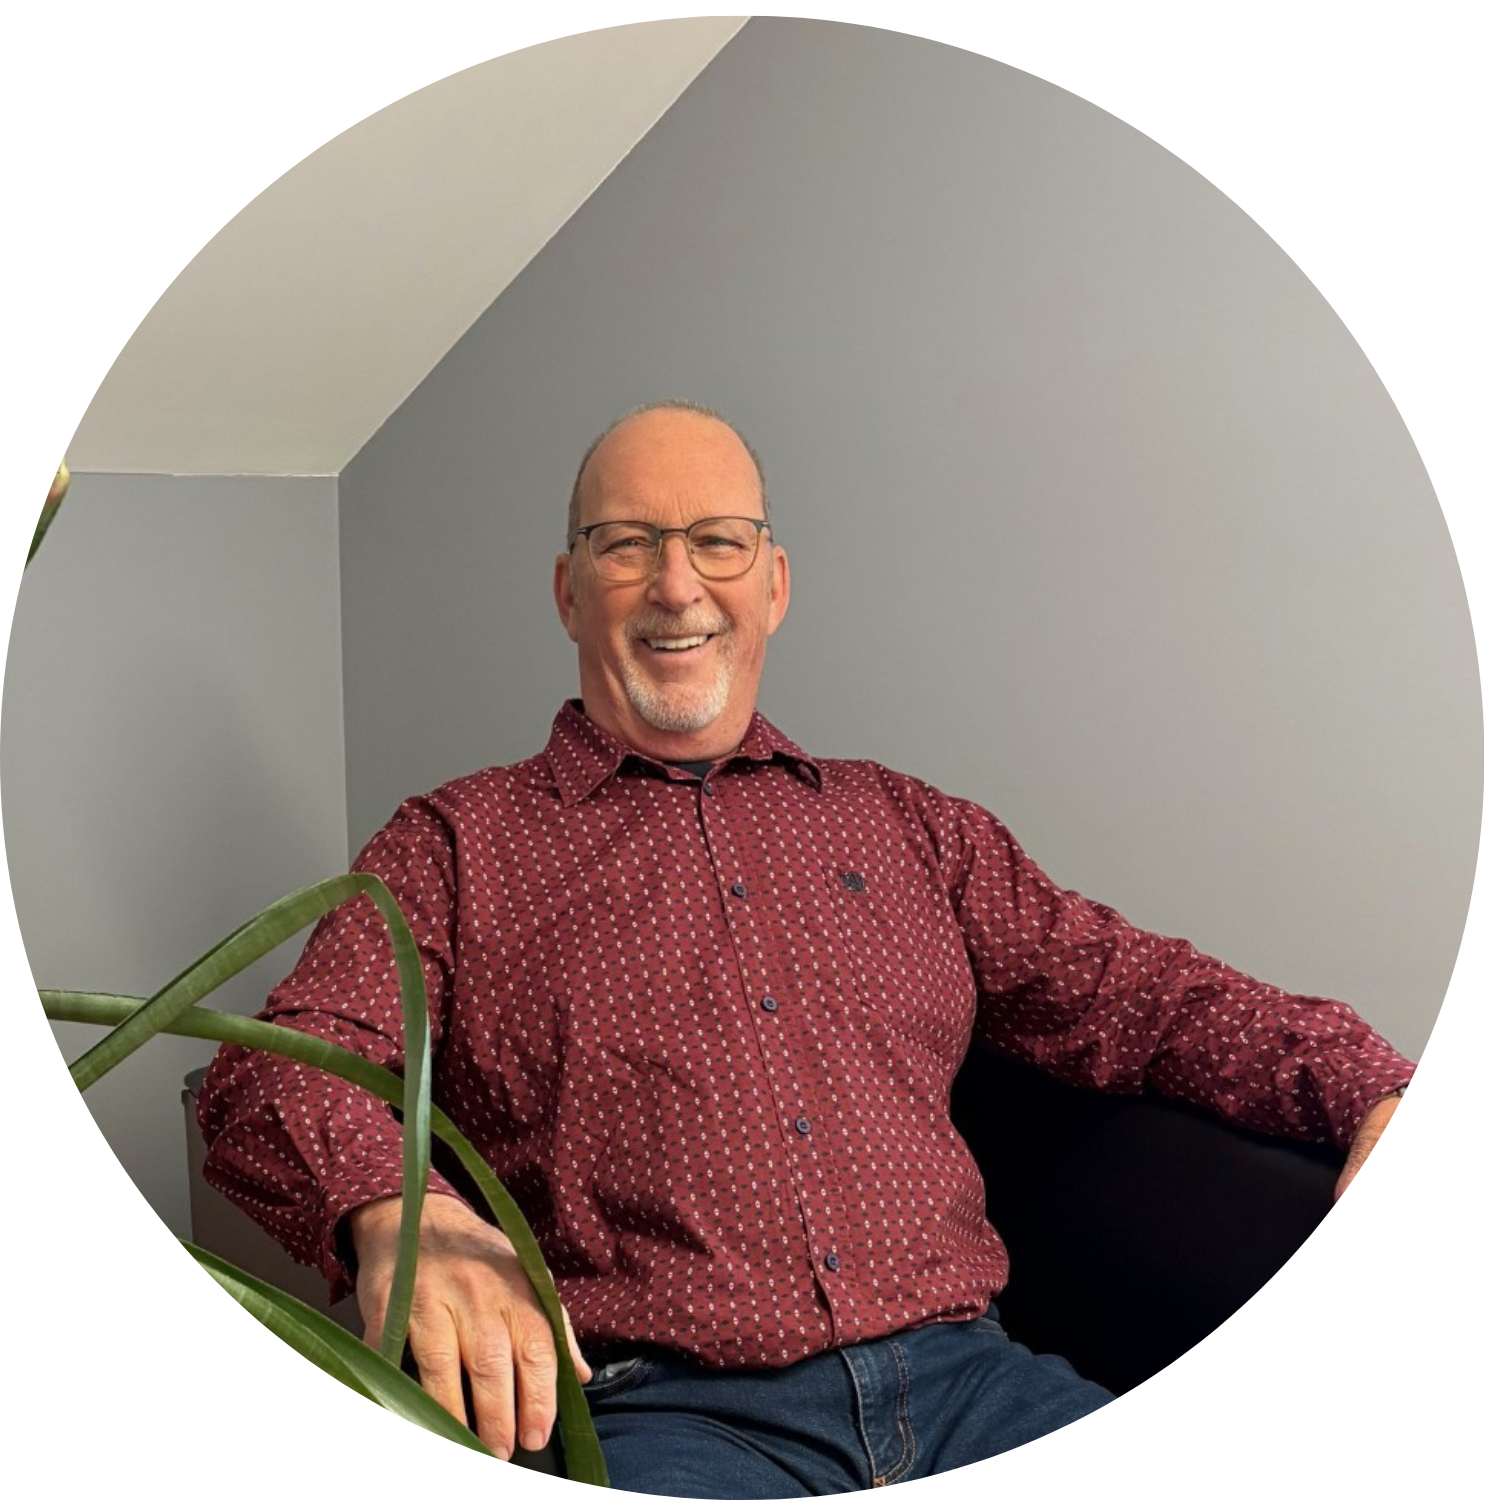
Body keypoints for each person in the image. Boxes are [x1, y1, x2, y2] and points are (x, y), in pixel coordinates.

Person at [197, 401, 1414, 1496]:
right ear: (569, 593)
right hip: (664, 1419)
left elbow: (1137, 993)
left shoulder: (913, 827)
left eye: (718, 542)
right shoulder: (456, 844)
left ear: (773, 584)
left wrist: (1374, 1086)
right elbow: (274, 1065)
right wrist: (403, 1215)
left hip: (973, 1386)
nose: (678, 585)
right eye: (627, 545)